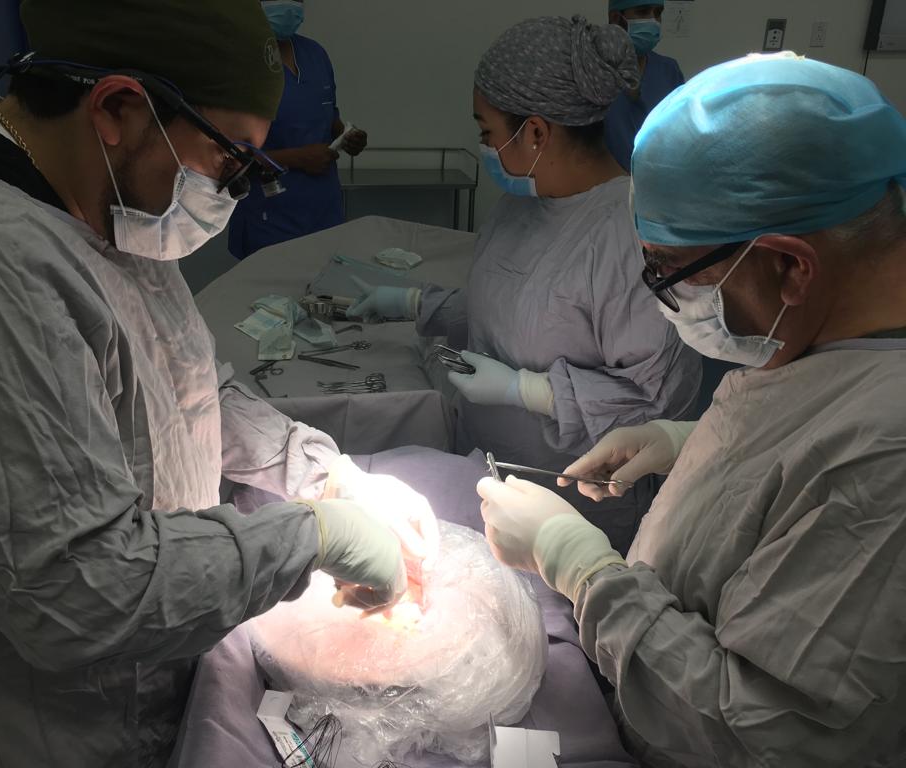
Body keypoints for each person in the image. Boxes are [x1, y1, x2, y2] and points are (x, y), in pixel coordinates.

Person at [0, 1, 436, 765]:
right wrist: (310, 538)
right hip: (27, 726)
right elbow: (79, 589)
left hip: (142, 672)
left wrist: (319, 472)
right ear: (117, 109)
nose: (233, 190)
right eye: (231, 160)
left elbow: (185, 383)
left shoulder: (98, 197)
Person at [476, 52, 906, 767]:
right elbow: (809, 437)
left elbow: (762, 733)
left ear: (790, 266)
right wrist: (689, 440)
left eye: (671, 272)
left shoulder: (885, 463)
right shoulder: (825, 341)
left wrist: (580, 567)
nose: (664, 299)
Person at [349, 16, 701, 552]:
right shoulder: (522, 203)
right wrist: (416, 303)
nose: (484, 146)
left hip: (575, 503)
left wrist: (527, 391)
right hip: (488, 464)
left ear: (536, 132)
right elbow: (517, 307)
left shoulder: (629, 237)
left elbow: (654, 399)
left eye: (487, 133)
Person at [227, 0, 367, 259]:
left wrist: (346, 135)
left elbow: (328, 115)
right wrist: (298, 158)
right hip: (270, 215)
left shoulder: (315, 54)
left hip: (324, 211)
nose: (290, 5)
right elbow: (227, 150)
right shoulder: (240, 61)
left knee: (325, 280)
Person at [604, 0, 683, 172]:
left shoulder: (668, 70)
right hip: (605, 184)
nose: (653, 21)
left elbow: (679, 134)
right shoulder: (594, 72)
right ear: (616, 18)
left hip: (657, 179)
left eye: (658, 13)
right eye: (643, 12)